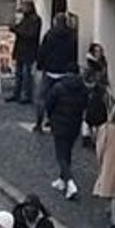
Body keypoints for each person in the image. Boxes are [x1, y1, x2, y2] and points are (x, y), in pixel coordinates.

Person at [42, 69, 89, 200]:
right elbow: (85, 105)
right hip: (74, 125)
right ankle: (62, 179)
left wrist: (51, 118)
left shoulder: (58, 87)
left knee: (61, 155)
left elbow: (49, 104)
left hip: (59, 124)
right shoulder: (82, 88)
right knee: (67, 152)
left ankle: (69, 181)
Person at [34, 12, 79, 130]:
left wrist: (39, 65)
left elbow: (42, 51)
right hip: (64, 72)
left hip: (50, 71)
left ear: (55, 22)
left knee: (42, 98)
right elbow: (73, 54)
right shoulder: (72, 36)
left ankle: (39, 122)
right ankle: (53, 121)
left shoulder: (49, 35)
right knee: (60, 99)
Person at [8, 4, 42, 105]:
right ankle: (16, 93)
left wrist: (17, 30)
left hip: (29, 51)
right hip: (20, 49)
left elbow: (30, 34)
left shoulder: (35, 20)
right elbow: (19, 28)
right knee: (18, 73)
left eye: (24, 7)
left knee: (26, 74)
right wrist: (14, 28)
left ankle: (26, 95)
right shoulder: (25, 18)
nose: (23, 9)